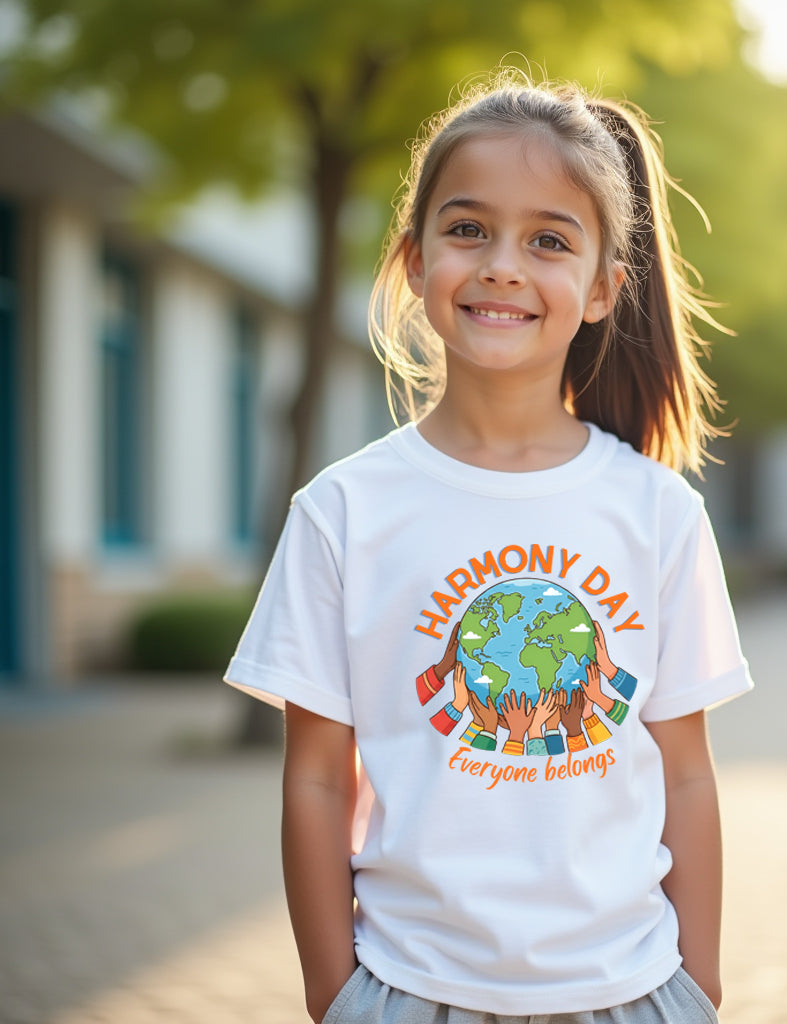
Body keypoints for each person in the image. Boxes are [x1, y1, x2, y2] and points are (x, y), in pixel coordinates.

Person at [225, 71, 753, 1024]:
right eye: (468, 229)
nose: (504, 264)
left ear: (601, 290)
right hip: (408, 990)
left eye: (548, 240)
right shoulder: (342, 511)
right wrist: (333, 995)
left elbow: (685, 771)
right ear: (414, 261)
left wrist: (698, 987)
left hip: (631, 990)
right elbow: (313, 775)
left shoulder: (658, 513)